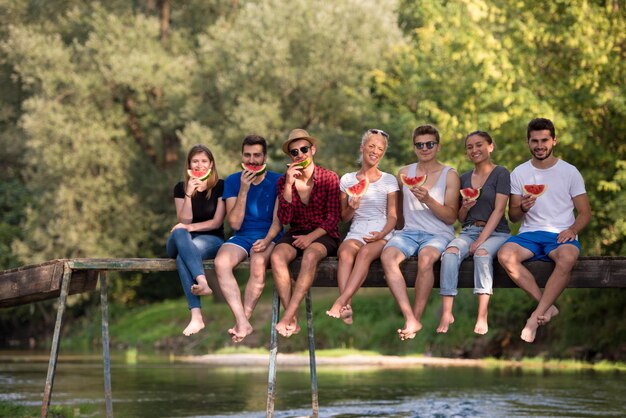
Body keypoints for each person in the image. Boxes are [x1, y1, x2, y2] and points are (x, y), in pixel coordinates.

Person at [497, 118, 591, 343]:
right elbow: (514, 216)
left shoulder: (570, 172)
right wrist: (522, 207)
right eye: (535, 141)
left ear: (554, 141)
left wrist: (572, 229)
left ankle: (535, 317)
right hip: (529, 234)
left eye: (544, 140)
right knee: (504, 255)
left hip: (560, 234)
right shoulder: (519, 173)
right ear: (528, 142)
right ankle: (546, 308)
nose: (540, 145)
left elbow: (585, 212)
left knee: (568, 258)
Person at [380, 124, 460, 340]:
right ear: (414, 147)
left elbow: (451, 217)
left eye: (429, 144)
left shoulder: (449, 175)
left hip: (439, 234)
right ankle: (410, 317)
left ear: (438, 146)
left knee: (426, 259)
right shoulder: (405, 173)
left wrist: (428, 199)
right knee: (387, 257)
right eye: (419, 145)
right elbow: (398, 211)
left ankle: (416, 318)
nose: (425, 148)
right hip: (408, 234)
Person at [436, 131, 511, 335]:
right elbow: (460, 217)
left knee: (482, 254)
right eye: (470, 147)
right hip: (468, 231)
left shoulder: (501, 173)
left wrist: (481, 240)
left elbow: (498, 211)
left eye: (479, 145)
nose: (474, 150)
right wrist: (466, 207)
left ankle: (482, 314)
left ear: (490, 146)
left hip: (496, 232)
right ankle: (447, 311)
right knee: (449, 253)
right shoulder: (464, 178)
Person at [271, 129, 341, 337]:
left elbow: (333, 218)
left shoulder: (329, 178)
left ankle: (288, 315)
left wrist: (310, 238)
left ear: (313, 150)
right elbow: (284, 219)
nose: (300, 154)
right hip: (296, 231)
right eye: (295, 152)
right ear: (290, 157)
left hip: (323, 234)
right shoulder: (284, 182)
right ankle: (292, 319)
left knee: (310, 255)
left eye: (304, 149)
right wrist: (289, 186)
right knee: (277, 257)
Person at [214, 134, 283, 343]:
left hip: (270, 235)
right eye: (247, 155)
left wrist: (267, 239)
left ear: (265, 157)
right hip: (242, 236)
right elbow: (234, 223)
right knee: (220, 262)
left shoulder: (279, 180)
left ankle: (244, 320)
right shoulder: (234, 181)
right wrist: (243, 189)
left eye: (257, 155)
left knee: (258, 261)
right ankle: (242, 321)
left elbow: (279, 220)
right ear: (242, 156)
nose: (252, 160)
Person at [325, 129, 399, 324]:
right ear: (362, 147)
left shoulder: (389, 180)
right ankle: (347, 306)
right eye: (372, 146)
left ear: (383, 153)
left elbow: (393, 216)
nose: (375, 151)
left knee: (366, 253)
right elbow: (345, 217)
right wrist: (351, 206)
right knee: (345, 252)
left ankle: (340, 301)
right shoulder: (347, 180)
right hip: (357, 229)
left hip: (382, 230)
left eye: (380, 148)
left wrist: (382, 234)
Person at [166, 144, 226, 336]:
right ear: (188, 165)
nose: (199, 165)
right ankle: (203, 282)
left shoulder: (220, 186)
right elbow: (184, 220)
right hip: (183, 240)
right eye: (195, 161)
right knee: (179, 233)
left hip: (211, 240)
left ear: (211, 165)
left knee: (182, 257)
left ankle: (196, 316)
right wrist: (189, 194)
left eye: (203, 161)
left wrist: (188, 228)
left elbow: (217, 222)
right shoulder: (180, 188)